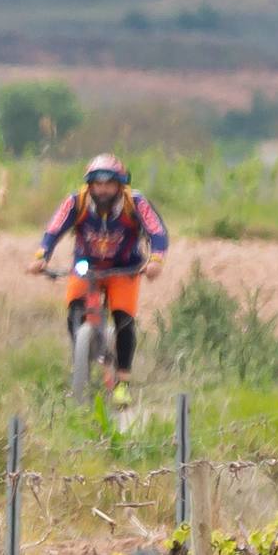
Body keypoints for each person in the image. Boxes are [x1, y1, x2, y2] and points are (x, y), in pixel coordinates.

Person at [27, 154, 167, 405]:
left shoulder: (134, 203)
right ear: (89, 185)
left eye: (109, 184)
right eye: (97, 184)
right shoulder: (76, 201)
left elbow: (157, 232)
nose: (102, 190)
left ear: (120, 185)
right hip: (85, 266)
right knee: (73, 311)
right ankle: (81, 363)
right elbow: (53, 229)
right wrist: (41, 256)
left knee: (124, 319)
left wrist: (156, 260)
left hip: (124, 269)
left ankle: (123, 383)